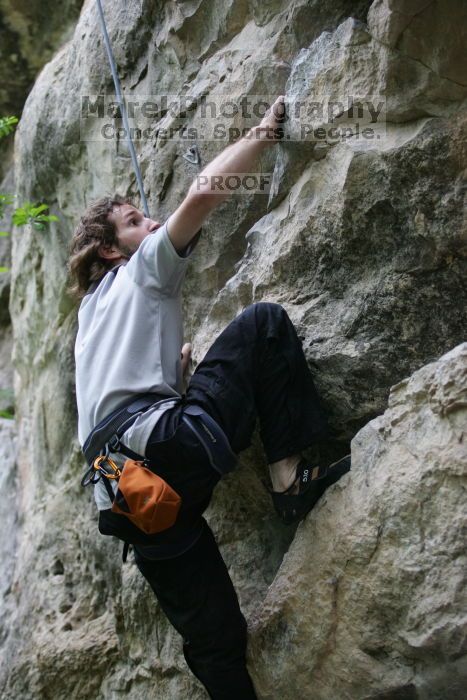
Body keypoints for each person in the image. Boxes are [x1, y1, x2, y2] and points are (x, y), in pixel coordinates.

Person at [69, 95, 351, 699]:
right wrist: (263, 133)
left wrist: (174, 377)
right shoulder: (140, 266)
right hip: (166, 447)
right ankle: (291, 482)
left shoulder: (88, 323)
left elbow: (117, 396)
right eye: (137, 221)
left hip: (123, 494)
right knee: (264, 324)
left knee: (214, 635)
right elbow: (201, 197)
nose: (151, 225)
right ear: (114, 250)